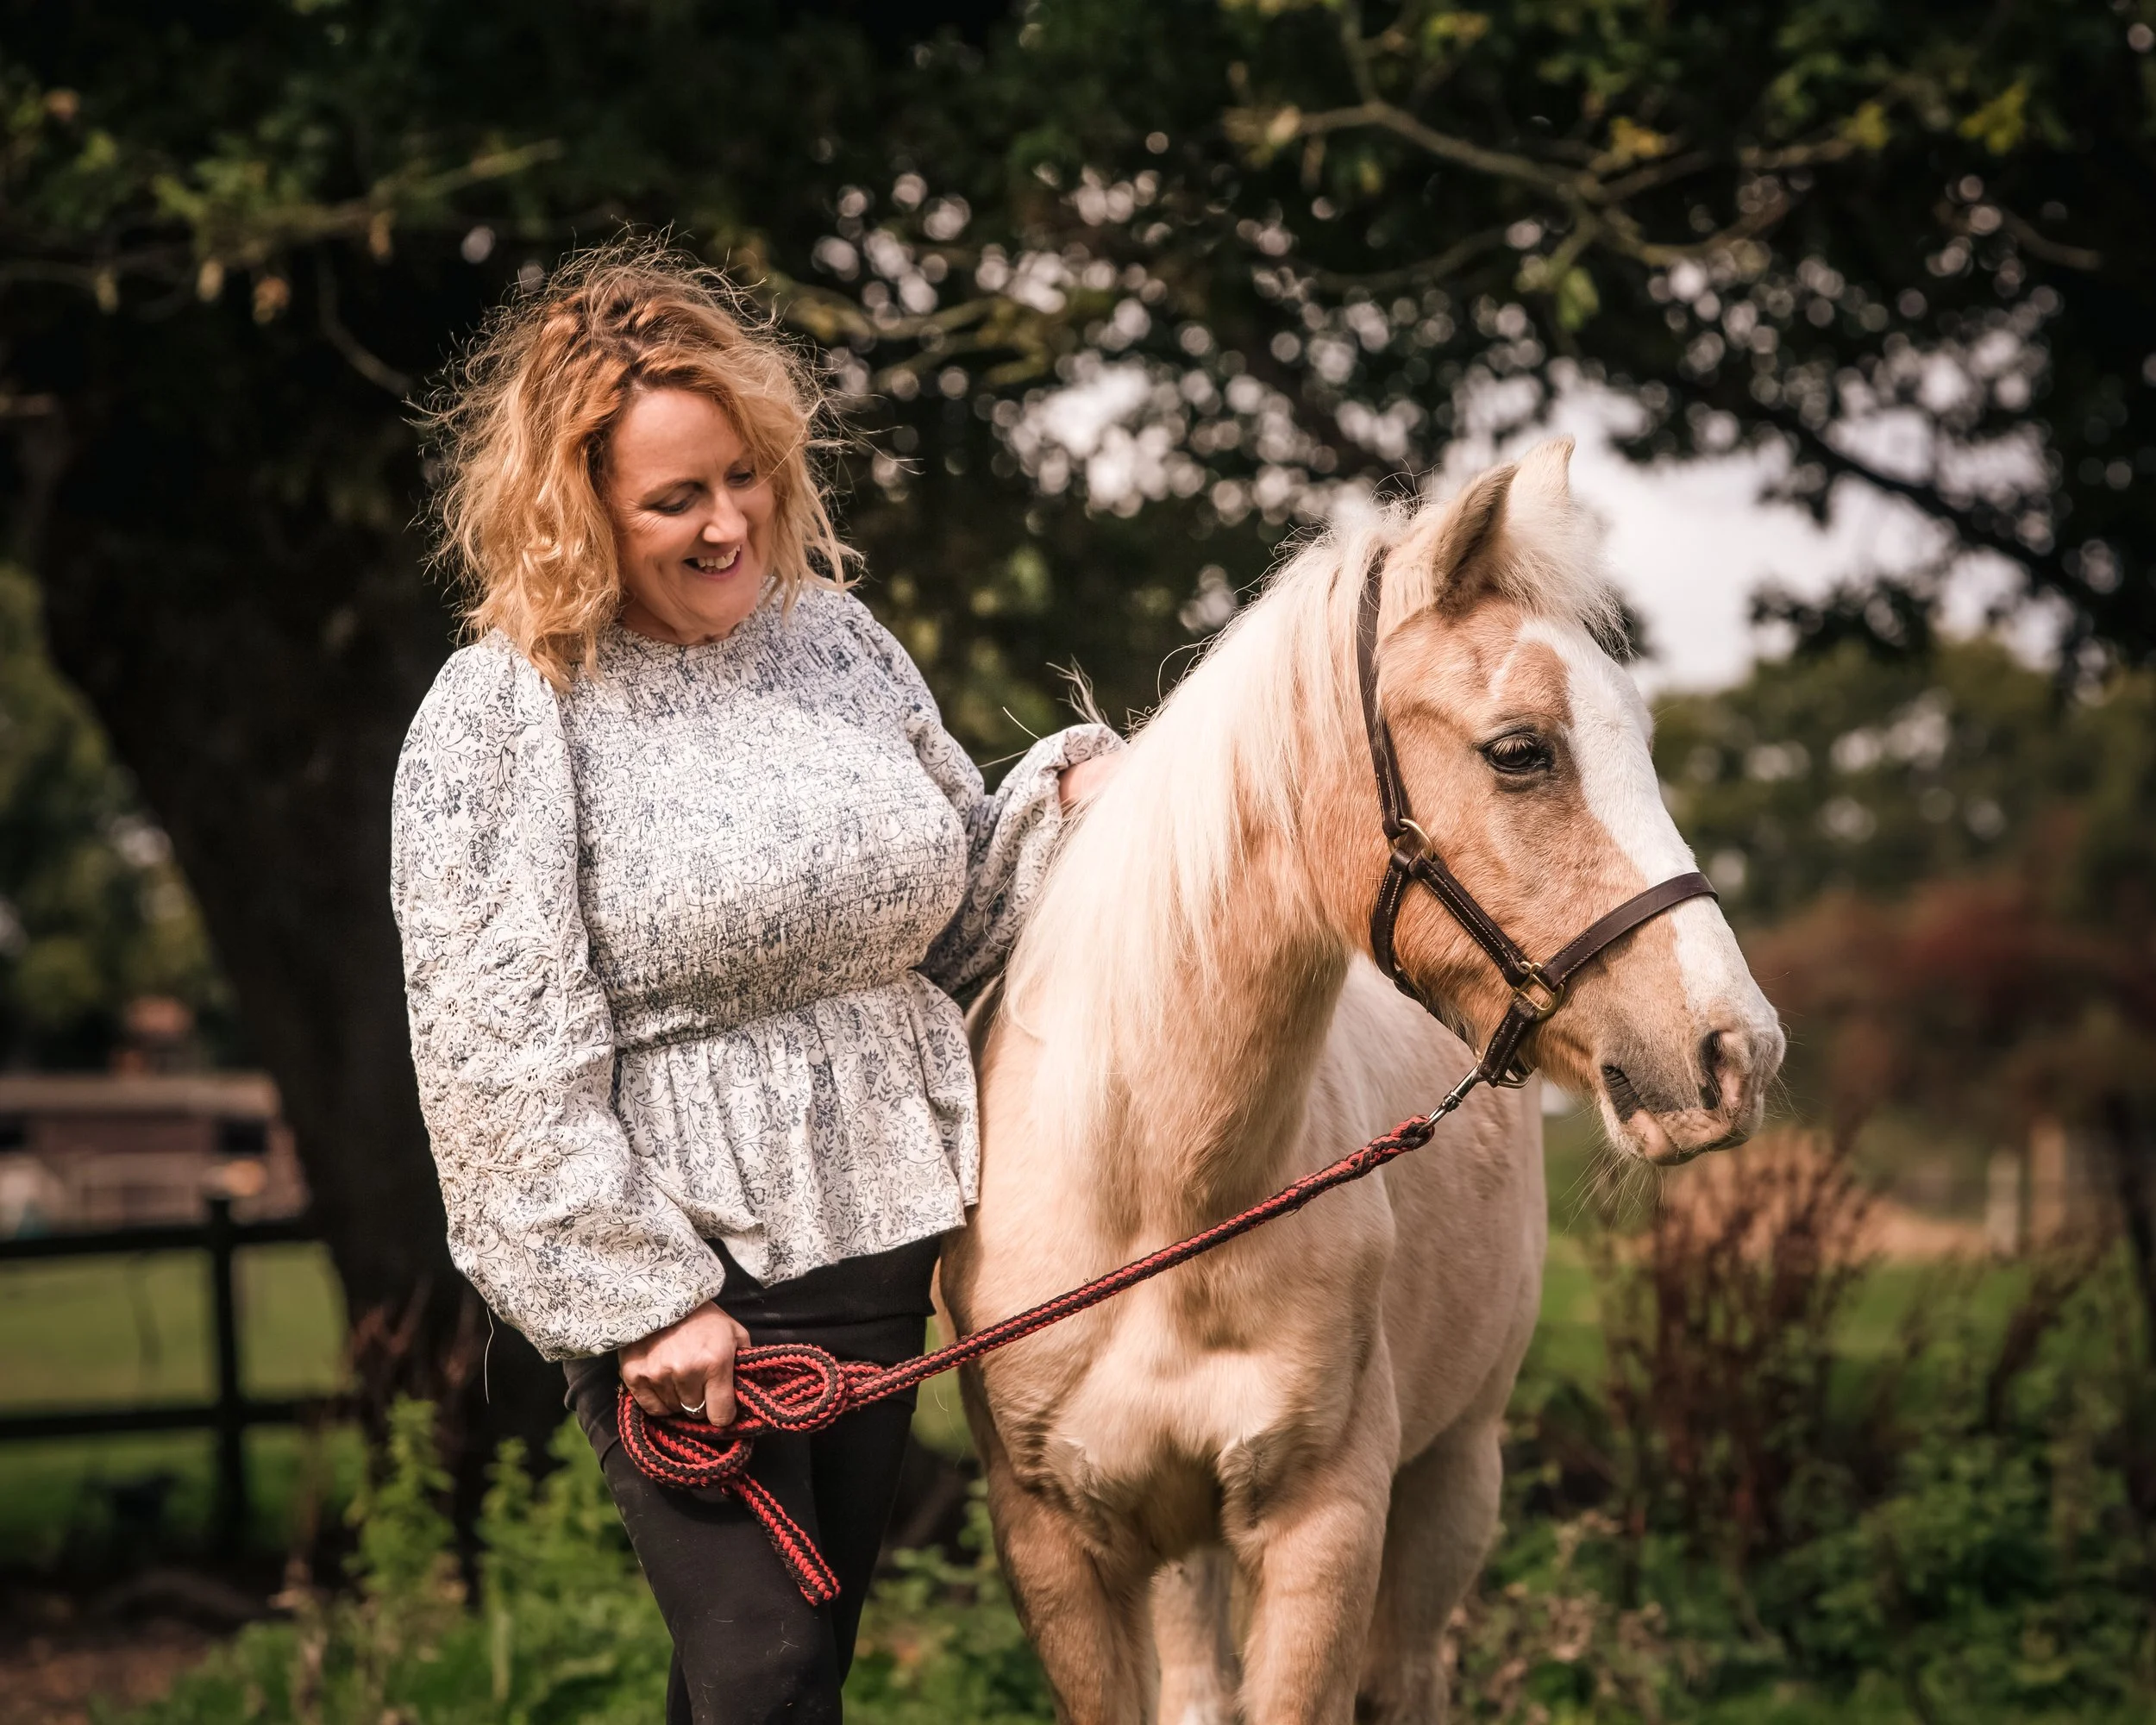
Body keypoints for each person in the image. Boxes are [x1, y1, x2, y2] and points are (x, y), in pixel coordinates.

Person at [388, 244, 1119, 1724]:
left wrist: (1060, 808)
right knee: (766, 1672)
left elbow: (941, 930)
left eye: (744, 477)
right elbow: (491, 1056)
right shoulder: (506, 710)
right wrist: (647, 1304)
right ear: (578, 507)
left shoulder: (836, 645)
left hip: (881, 1245)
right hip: (685, 1268)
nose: (729, 523)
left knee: (785, 1677)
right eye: (676, 498)